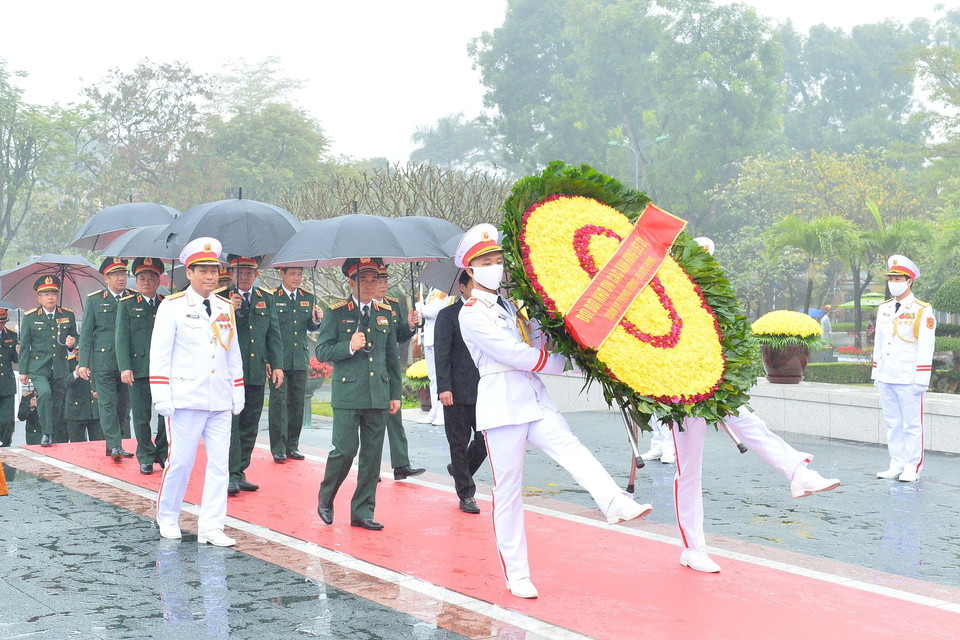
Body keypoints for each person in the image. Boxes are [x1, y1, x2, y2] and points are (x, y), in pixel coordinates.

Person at [456, 224, 652, 599]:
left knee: (571, 448)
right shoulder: (471, 314)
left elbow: (535, 339)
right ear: (470, 269)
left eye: (498, 259)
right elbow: (514, 354)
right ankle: (517, 573)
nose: (495, 266)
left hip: (533, 397)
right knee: (509, 491)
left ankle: (613, 502)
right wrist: (563, 364)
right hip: (502, 405)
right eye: (486, 261)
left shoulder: (509, 305)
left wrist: (560, 329)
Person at [672, 237, 840, 573]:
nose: (703, 270)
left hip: (714, 385)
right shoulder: (668, 295)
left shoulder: (713, 299)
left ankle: (798, 472)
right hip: (680, 394)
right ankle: (693, 547)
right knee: (689, 471)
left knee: (753, 426)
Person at [150, 237, 244, 546]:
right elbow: (160, 353)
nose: (210, 276)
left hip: (219, 397)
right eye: (202, 270)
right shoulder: (173, 307)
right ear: (188, 273)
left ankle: (211, 526)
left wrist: (237, 391)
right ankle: (167, 515)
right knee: (181, 461)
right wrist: (161, 395)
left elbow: (233, 353)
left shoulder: (224, 306)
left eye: (214, 270)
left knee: (220, 465)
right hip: (185, 398)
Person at [316, 257, 402, 531]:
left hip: (378, 393)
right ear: (351, 282)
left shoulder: (385, 313)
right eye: (362, 279)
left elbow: (392, 358)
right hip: (348, 393)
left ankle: (362, 511)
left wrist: (395, 393)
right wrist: (349, 346)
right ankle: (326, 497)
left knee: (372, 456)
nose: (369, 284)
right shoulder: (337, 312)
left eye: (373, 279)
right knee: (345, 450)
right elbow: (322, 351)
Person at [223, 254, 284, 495]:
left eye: (249, 273)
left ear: (256, 275)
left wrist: (276, 364)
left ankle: (241, 471)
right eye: (239, 272)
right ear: (231, 274)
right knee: (231, 425)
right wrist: (230, 311)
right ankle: (229, 473)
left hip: (257, 370)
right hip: (230, 374)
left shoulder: (265, 298)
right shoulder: (220, 298)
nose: (244, 277)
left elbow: (273, 334)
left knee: (250, 423)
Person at [872, 254, 935, 483]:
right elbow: (879, 342)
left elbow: (926, 346)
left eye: (899, 278)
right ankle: (896, 463)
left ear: (910, 281)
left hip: (909, 377)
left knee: (911, 424)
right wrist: (875, 371)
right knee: (892, 423)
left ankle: (912, 466)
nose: (894, 282)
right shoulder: (885, 308)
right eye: (891, 277)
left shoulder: (922, 310)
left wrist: (922, 378)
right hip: (886, 374)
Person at [435, 270, 485, 514]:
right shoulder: (448, 315)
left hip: (485, 390)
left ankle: (459, 470)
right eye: (474, 285)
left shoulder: (488, 314)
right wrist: (444, 387)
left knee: (485, 442)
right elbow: (441, 353)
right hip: (455, 392)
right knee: (458, 444)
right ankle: (466, 494)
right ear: (462, 288)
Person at [116, 257, 168, 474]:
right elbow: (121, 339)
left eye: (151, 278)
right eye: (141, 278)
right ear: (135, 282)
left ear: (159, 281)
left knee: (166, 414)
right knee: (141, 415)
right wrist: (125, 367)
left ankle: (164, 452)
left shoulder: (168, 304)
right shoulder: (127, 305)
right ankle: (145, 455)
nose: (146, 282)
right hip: (138, 369)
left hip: (165, 369)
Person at [78, 257, 134, 460]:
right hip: (103, 361)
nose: (121, 278)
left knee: (122, 406)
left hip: (127, 363)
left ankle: (115, 445)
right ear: (106, 278)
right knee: (107, 404)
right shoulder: (95, 300)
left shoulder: (132, 298)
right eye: (116, 274)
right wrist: (82, 362)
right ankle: (115, 445)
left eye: (123, 274)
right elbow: (86, 334)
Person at [268, 266, 323, 463]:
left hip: (299, 358)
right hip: (279, 360)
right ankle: (278, 447)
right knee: (279, 404)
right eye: (292, 274)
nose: (297, 278)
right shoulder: (272, 297)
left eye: (300, 274)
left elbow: (310, 325)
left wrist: (317, 320)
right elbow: (269, 329)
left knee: (297, 403)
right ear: (282, 274)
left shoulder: (307, 298)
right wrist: (270, 360)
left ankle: (293, 445)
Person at [375, 264, 425, 480]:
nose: (385, 285)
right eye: (380, 281)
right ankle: (371, 468)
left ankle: (401, 464)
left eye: (387, 280)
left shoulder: (393, 305)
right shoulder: (360, 307)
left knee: (395, 416)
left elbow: (400, 336)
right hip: (370, 370)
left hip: (390, 368)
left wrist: (410, 326)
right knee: (372, 422)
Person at [18, 275, 78, 446]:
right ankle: (47, 433)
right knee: (44, 393)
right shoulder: (30, 317)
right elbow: (24, 346)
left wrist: (72, 342)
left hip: (60, 366)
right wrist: (23, 371)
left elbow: (75, 336)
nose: (50, 297)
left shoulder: (67, 315)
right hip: (38, 367)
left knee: (57, 403)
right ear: (39, 297)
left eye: (53, 293)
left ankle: (55, 435)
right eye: (45, 294)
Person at [416, 286, 454, 425]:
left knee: (440, 377)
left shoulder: (445, 291)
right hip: (430, 338)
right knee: (433, 377)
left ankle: (442, 412)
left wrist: (420, 308)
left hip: (440, 337)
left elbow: (431, 312)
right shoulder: (433, 290)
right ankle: (434, 411)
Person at [64, 349, 103, 442]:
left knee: (99, 444)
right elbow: (63, 383)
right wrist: (75, 374)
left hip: (95, 411)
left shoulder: (97, 361)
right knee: (77, 446)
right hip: (75, 411)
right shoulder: (69, 361)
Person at [0, 308, 18, 447]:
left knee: (7, 421)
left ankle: (5, 446)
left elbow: (16, 359)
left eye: (3, 322)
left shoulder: (11, 335)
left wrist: (19, 352)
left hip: (6, 384)